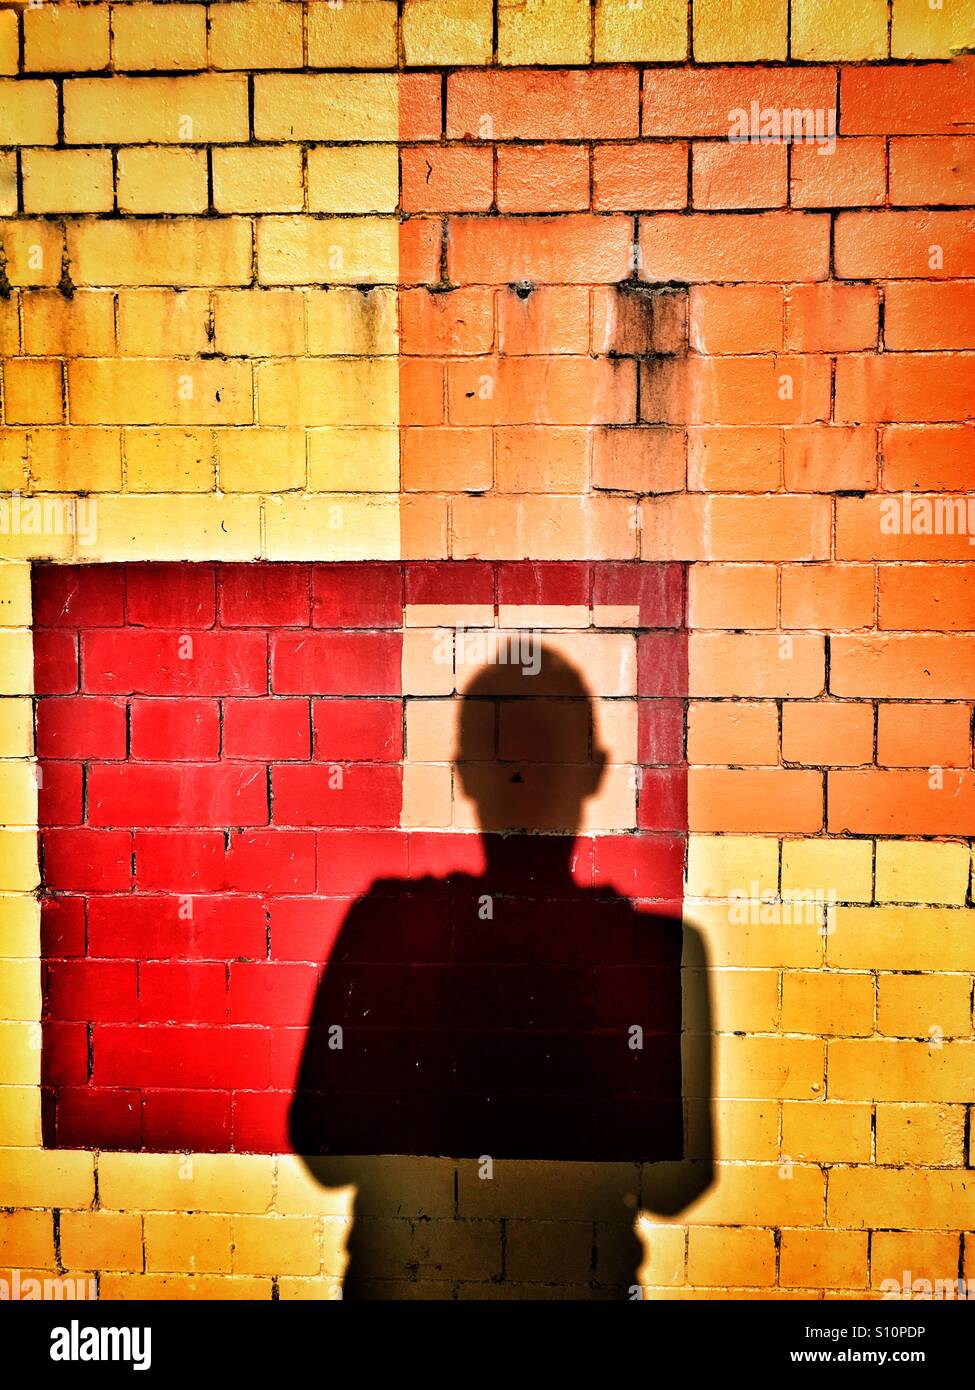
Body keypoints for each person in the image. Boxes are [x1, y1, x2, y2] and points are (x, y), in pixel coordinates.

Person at [290, 645, 712, 1298]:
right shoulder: (653, 952)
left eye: (531, 753)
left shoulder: (390, 926)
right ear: (593, 771)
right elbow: (671, 1182)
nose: (520, 777)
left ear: (463, 773)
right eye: (508, 754)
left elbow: (323, 1149)